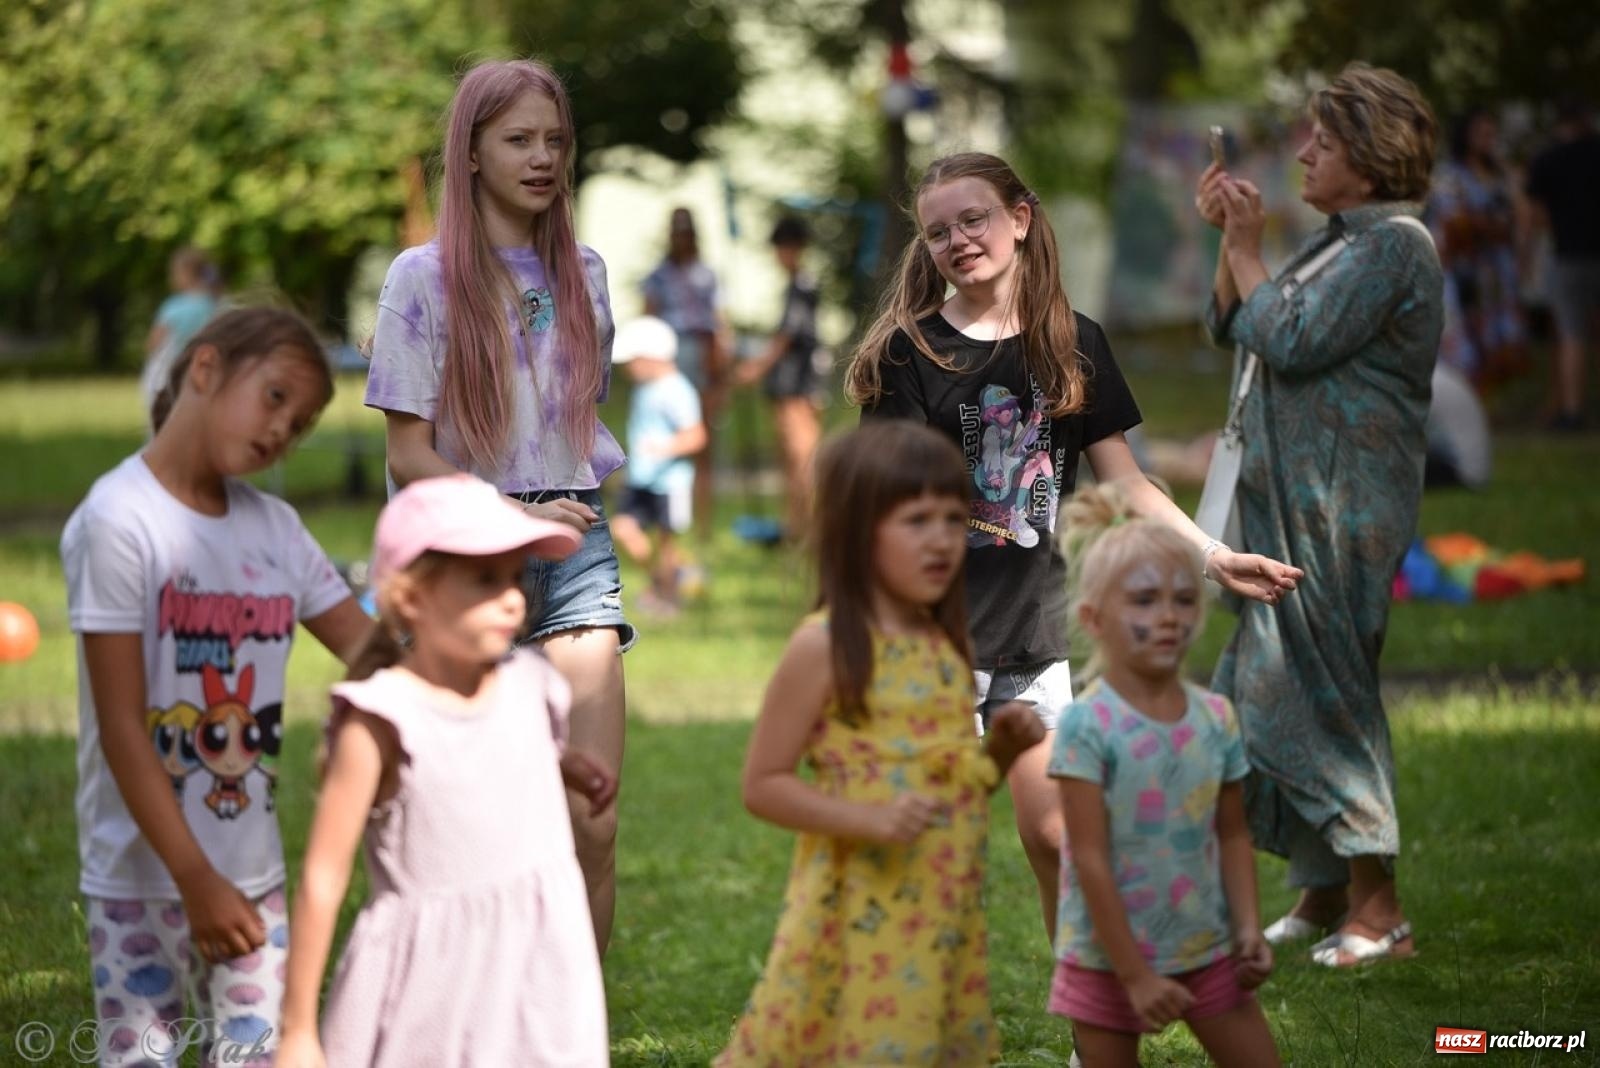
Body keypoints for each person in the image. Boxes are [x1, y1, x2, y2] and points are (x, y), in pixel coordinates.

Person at [849, 151, 1301, 938]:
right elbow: (881, 508)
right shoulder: (909, 353)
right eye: (937, 232)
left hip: (1032, 637)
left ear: (1020, 220)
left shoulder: (1074, 341)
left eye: (974, 218)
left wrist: (1213, 554)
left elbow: (1126, 482)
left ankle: (1093, 1033)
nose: (957, 240)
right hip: (933, 645)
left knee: (1059, 836)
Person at [363, 58, 630, 954]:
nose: (542, 157)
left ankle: (572, 1036)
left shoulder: (586, 273)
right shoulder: (421, 277)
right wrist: (512, 524)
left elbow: (570, 434)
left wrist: (562, 517)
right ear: (470, 152)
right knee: (468, 827)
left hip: (575, 549)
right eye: (518, 139)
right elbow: (408, 453)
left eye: (554, 140)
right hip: (462, 564)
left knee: (589, 816)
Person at [60, 307, 371, 1066]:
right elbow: (125, 724)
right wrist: (193, 878)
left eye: (298, 426)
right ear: (205, 369)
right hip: (139, 880)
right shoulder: (119, 521)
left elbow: (370, 653)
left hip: (252, 875)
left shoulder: (276, 529)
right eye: (274, 399)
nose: (280, 434)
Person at [1195, 62, 1443, 965]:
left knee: (1326, 689)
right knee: (1272, 684)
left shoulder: (1395, 247)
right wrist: (1233, 239)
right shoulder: (1341, 239)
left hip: (1340, 510)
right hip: (1287, 504)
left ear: (1371, 158)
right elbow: (1234, 324)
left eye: (1324, 142)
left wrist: (1252, 249)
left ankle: (1382, 913)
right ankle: (1324, 889)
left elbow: (1292, 336)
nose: (1304, 152)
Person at [715, 421, 1046, 1066]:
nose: (943, 540)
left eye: (955, 519)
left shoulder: (942, 643)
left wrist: (1001, 751)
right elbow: (764, 785)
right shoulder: (827, 643)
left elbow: (952, 782)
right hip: (856, 909)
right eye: (917, 520)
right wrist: (867, 819)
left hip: (939, 905)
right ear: (858, 533)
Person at [275, 475, 616, 1068]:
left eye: (515, 578)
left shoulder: (530, 684)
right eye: (486, 580)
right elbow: (323, 882)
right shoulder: (380, 721)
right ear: (411, 598)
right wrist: (300, 1029)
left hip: (535, 972)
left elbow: (497, 742)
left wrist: (563, 766)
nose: (513, 597)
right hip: (430, 992)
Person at [1050, 484, 1279, 1068]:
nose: (1170, 616)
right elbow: (1089, 859)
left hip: (1203, 945)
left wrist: (1248, 927)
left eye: (1183, 600)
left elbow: (1231, 833)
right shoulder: (1086, 726)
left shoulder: (1215, 717)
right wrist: (1134, 976)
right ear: (1093, 619)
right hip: (1106, 963)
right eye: (1146, 601)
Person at [609, 315, 706, 615]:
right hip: (641, 479)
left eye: (633, 361)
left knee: (666, 544)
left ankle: (668, 599)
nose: (628, 368)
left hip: (669, 482)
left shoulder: (677, 391)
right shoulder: (645, 389)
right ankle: (672, 577)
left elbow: (696, 435)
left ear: (653, 358)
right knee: (622, 528)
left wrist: (664, 449)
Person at [735, 215, 825, 539]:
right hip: (789, 384)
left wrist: (756, 367)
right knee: (789, 459)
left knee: (802, 458)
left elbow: (788, 335)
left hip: (798, 385)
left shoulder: (803, 286)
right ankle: (795, 526)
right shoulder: (797, 285)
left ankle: (809, 526)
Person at [643, 207, 730, 540]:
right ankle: (666, 525)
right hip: (670, 360)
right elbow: (649, 321)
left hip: (702, 359)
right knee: (666, 441)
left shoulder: (707, 275)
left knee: (702, 442)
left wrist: (721, 373)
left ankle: (703, 527)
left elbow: (719, 325)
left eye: (687, 232)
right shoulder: (658, 277)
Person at [1428, 108, 1528, 387]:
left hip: (1495, 268)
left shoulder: (1499, 174)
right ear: (1466, 136)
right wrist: (1490, 224)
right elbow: (1453, 221)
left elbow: (1518, 215)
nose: (1489, 139)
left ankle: (1494, 397)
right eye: (1482, 133)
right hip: (1461, 266)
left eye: (1492, 133)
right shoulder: (1449, 174)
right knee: (1466, 330)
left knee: (1496, 332)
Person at [1525, 95, 1600, 431]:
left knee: (1570, 333)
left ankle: (1572, 409)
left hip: (1566, 255)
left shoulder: (1547, 160)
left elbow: (1536, 215)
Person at [140, 248, 222, 420]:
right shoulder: (213, 305)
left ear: (184, 274)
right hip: (201, 372)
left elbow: (154, 342)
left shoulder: (174, 307)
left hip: (168, 371)